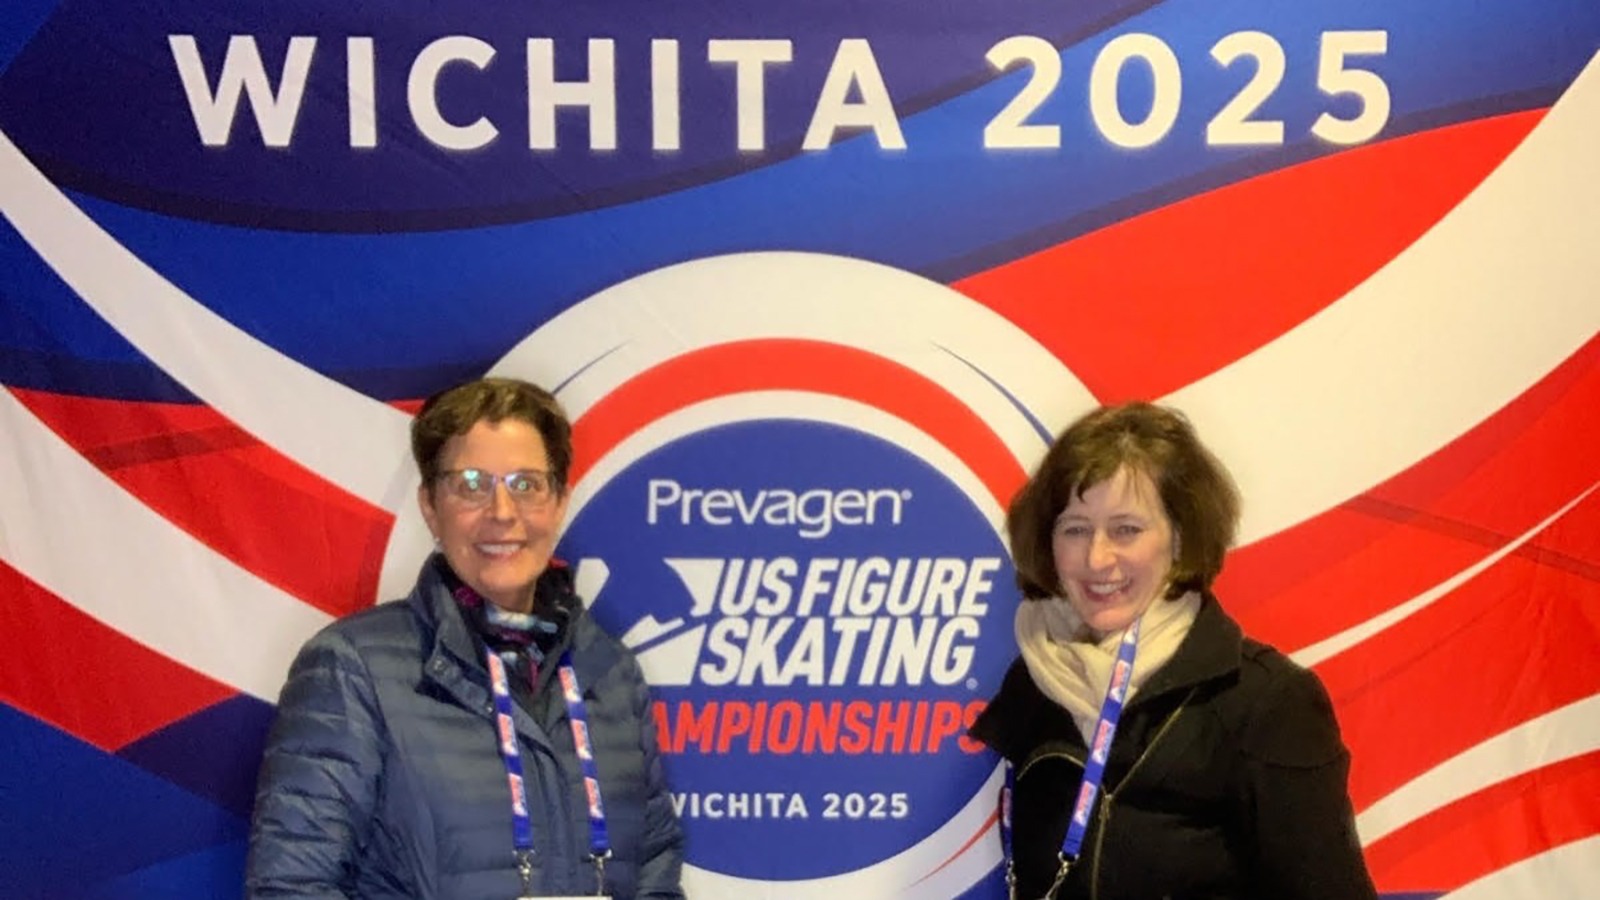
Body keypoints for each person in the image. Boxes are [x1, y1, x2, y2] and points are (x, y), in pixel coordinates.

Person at [246, 377, 685, 899]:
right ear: (431, 507)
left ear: (560, 502)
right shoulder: (353, 669)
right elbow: (292, 886)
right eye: (472, 484)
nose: (502, 512)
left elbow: (655, 873)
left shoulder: (610, 672)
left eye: (527, 484)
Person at [970, 402, 1377, 900]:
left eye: (1126, 529)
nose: (1097, 557)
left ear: (1180, 538)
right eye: (1075, 529)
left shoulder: (1264, 702)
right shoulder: (1035, 681)